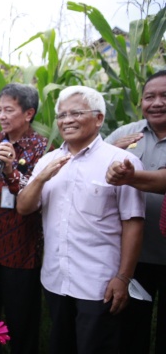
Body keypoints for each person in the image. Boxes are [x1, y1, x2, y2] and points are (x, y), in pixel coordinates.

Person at [17, 85, 145, 354]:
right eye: (61, 115)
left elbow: (133, 223)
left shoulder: (121, 161)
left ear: (98, 119)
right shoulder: (49, 161)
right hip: (55, 278)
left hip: (98, 284)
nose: (67, 120)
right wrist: (40, 178)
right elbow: (24, 207)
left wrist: (123, 277)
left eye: (76, 113)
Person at [0, 83, 47, 354]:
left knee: (21, 316)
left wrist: (10, 167)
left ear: (28, 113)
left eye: (9, 110)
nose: (2, 116)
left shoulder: (41, 148)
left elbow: (34, 195)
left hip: (20, 248)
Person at [104, 70, 166, 353]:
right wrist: (106, 155)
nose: (156, 102)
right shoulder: (125, 135)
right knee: (130, 333)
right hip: (132, 257)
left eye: (164, 96)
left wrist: (127, 175)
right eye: (149, 96)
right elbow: (92, 177)